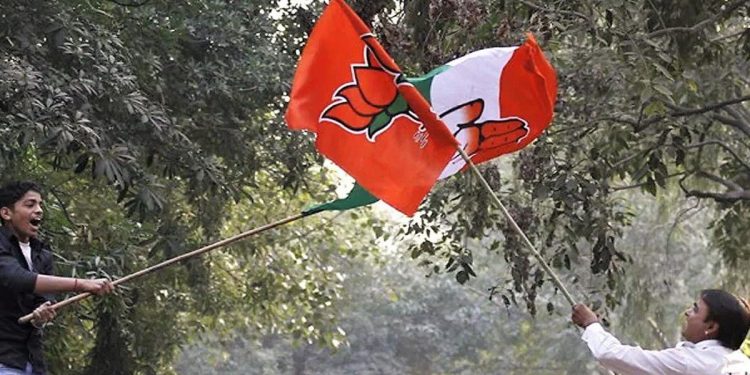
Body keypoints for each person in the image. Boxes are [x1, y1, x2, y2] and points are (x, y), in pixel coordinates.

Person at [0, 181, 114, 375]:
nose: (39, 210)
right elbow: (16, 277)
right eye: (30, 205)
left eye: (40, 204)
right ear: (6, 213)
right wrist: (83, 284)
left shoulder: (42, 254)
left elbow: (45, 300)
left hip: (32, 361)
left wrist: (40, 316)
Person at [572, 289, 750, 375]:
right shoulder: (742, 364)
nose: (688, 313)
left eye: (696, 310)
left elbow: (610, 355)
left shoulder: (690, 363)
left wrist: (591, 324)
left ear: (711, 327)